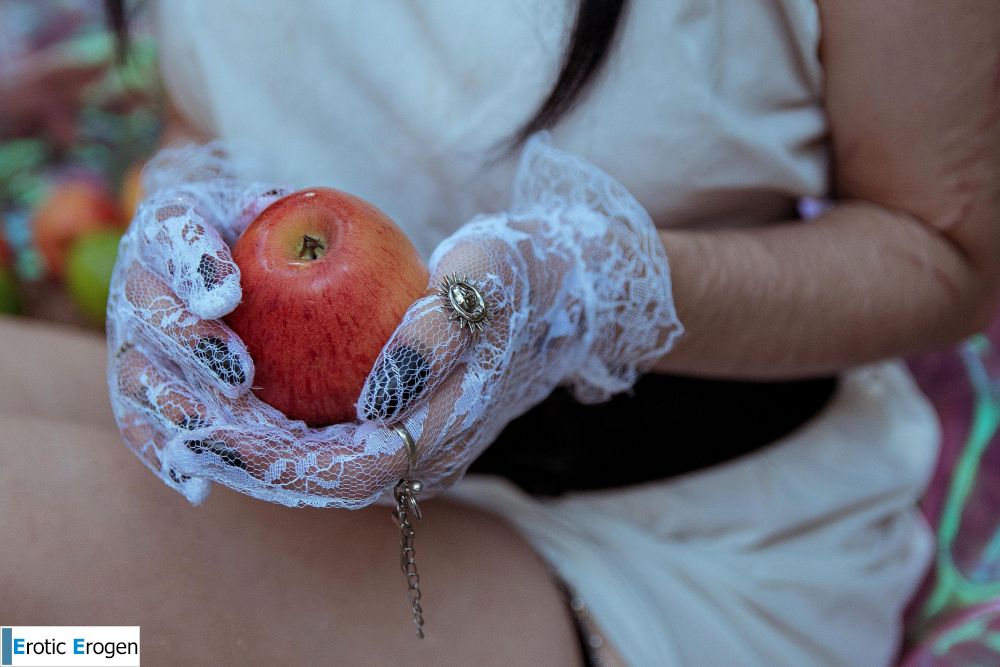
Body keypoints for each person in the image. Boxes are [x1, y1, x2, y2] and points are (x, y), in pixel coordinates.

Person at [2, 1, 998, 664]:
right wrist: (190, 195)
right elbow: (212, 89)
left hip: (667, 539)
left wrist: (595, 290)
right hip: (299, 474)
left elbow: (946, 253)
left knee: (25, 605)